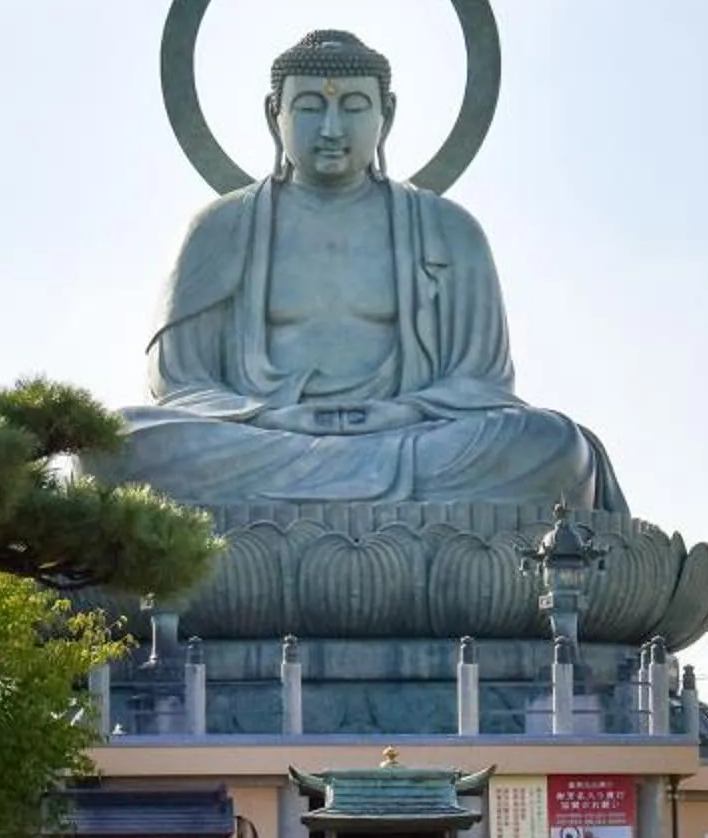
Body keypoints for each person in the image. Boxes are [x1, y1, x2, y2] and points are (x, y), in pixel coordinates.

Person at [102, 29, 625, 512]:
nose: (332, 129)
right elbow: (181, 384)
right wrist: (265, 415)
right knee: (119, 443)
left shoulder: (449, 230)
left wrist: (403, 413)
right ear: (273, 114)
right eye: (309, 107)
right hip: (263, 437)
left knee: (551, 444)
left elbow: (481, 384)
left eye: (353, 107)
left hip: (408, 440)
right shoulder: (220, 228)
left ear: (387, 114)